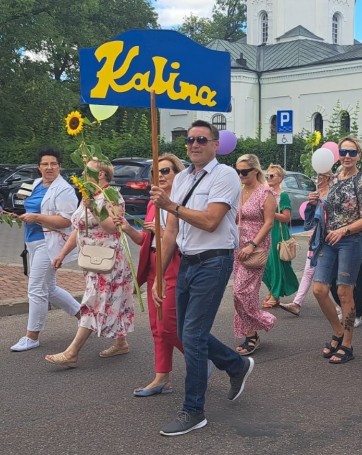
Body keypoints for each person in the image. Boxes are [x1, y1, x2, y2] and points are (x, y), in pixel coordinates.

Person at [150, 120, 254, 436]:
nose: (194, 144)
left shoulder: (225, 176)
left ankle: (193, 410)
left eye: (201, 139)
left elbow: (210, 221)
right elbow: (170, 232)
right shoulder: (181, 179)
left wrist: (170, 204)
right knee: (185, 331)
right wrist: (157, 276)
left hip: (214, 262)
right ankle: (236, 365)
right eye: (190, 140)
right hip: (187, 263)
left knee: (193, 335)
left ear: (214, 144)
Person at [45, 159, 135, 366]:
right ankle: (121, 343)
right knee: (111, 300)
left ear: (102, 174)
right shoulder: (89, 196)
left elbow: (113, 227)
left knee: (93, 300)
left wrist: (93, 208)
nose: (84, 173)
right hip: (92, 259)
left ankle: (72, 352)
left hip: (108, 260)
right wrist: (62, 253)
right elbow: (78, 227)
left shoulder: (111, 196)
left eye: (89, 170)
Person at [117, 154, 185, 396]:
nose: (161, 177)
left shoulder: (182, 202)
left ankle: (203, 358)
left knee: (168, 326)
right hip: (154, 263)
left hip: (175, 265)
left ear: (178, 173)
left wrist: (163, 229)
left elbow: (183, 237)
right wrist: (128, 229)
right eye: (156, 174)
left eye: (166, 171)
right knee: (156, 326)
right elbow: (146, 240)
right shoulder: (151, 204)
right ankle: (161, 377)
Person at [11, 149, 81, 352]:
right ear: (38, 167)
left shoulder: (65, 190)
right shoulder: (34, 184)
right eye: (45, 164)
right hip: (32, 242)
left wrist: (37, 217)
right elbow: (27, 206)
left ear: (59, 166)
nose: (49, 168)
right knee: (49, 288)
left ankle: (32, 336)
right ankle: (84, 316)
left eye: (54, 164)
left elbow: (67, 220)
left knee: (36, 289)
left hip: (48, 243)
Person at [311, 136, 362, 364]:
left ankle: (347, 344)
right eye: (344, 151)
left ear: (359, 156)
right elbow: (327, 208)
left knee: (345, 292)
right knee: (319, 289)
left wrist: (344, 231)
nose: (347, 156)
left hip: (350, 241)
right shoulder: (333, 179)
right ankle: (338, 331)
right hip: (328, 240)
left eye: (352, 152)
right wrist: (316, 199)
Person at [233, 155, 277, 355]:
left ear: (255, 171)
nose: (240, 175)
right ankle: (250, 333)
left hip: (255, 247)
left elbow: (269, 222)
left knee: (241, 292)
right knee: (241, 293)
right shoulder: (241, 191)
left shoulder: (265, 192)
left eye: (244, 171)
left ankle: (262, 321)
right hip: (238, 246)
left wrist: (252, 244)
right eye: (238, 171)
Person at [279, 172, 333, 317]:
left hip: (332, 238)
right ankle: (296, 304)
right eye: (317, 176)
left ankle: (341, 307)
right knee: (308, 270)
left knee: (331, 275)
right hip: (318, 238)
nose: (318, 179)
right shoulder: (316, 193)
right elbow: (315, 218)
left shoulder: (334, 191)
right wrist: (314, 233)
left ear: (329, 177)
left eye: (321, 176)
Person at [261, 164, 299, 308]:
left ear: (280, 178)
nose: (268, 178)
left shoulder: (282, 195)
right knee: (265, 265)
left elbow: (286, 217)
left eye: (272, 175)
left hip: (278, 232)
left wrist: (270, 212)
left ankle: (275, 294)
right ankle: (272, 290)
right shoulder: (265, 193)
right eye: (267, 175)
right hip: (266, 231)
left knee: (276, 265)